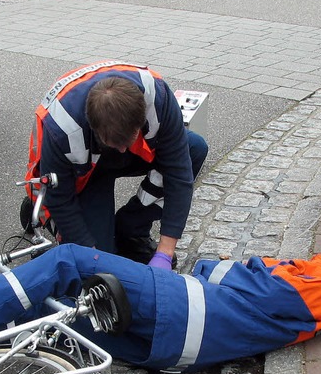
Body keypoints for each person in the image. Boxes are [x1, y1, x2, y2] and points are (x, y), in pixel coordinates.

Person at [0, 242, 321, 372]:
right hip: (171, 346)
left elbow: (259, 288)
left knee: (67, 259)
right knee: (55, 314)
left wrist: (238, 266)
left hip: (181, 308)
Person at [24, 61, 208, 269]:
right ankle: (38, 213)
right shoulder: (62, 128)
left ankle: (131, 228)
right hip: (82, 174)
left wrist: (165, 252)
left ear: (141, 118)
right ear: (93, 127)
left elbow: (179, 173)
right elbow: (60, 200)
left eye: (127, 140)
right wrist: (93, 259)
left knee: (195, 148)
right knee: (104, 263)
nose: (122, 149)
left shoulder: (157, 96)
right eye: (115, 144)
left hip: (123, 153)